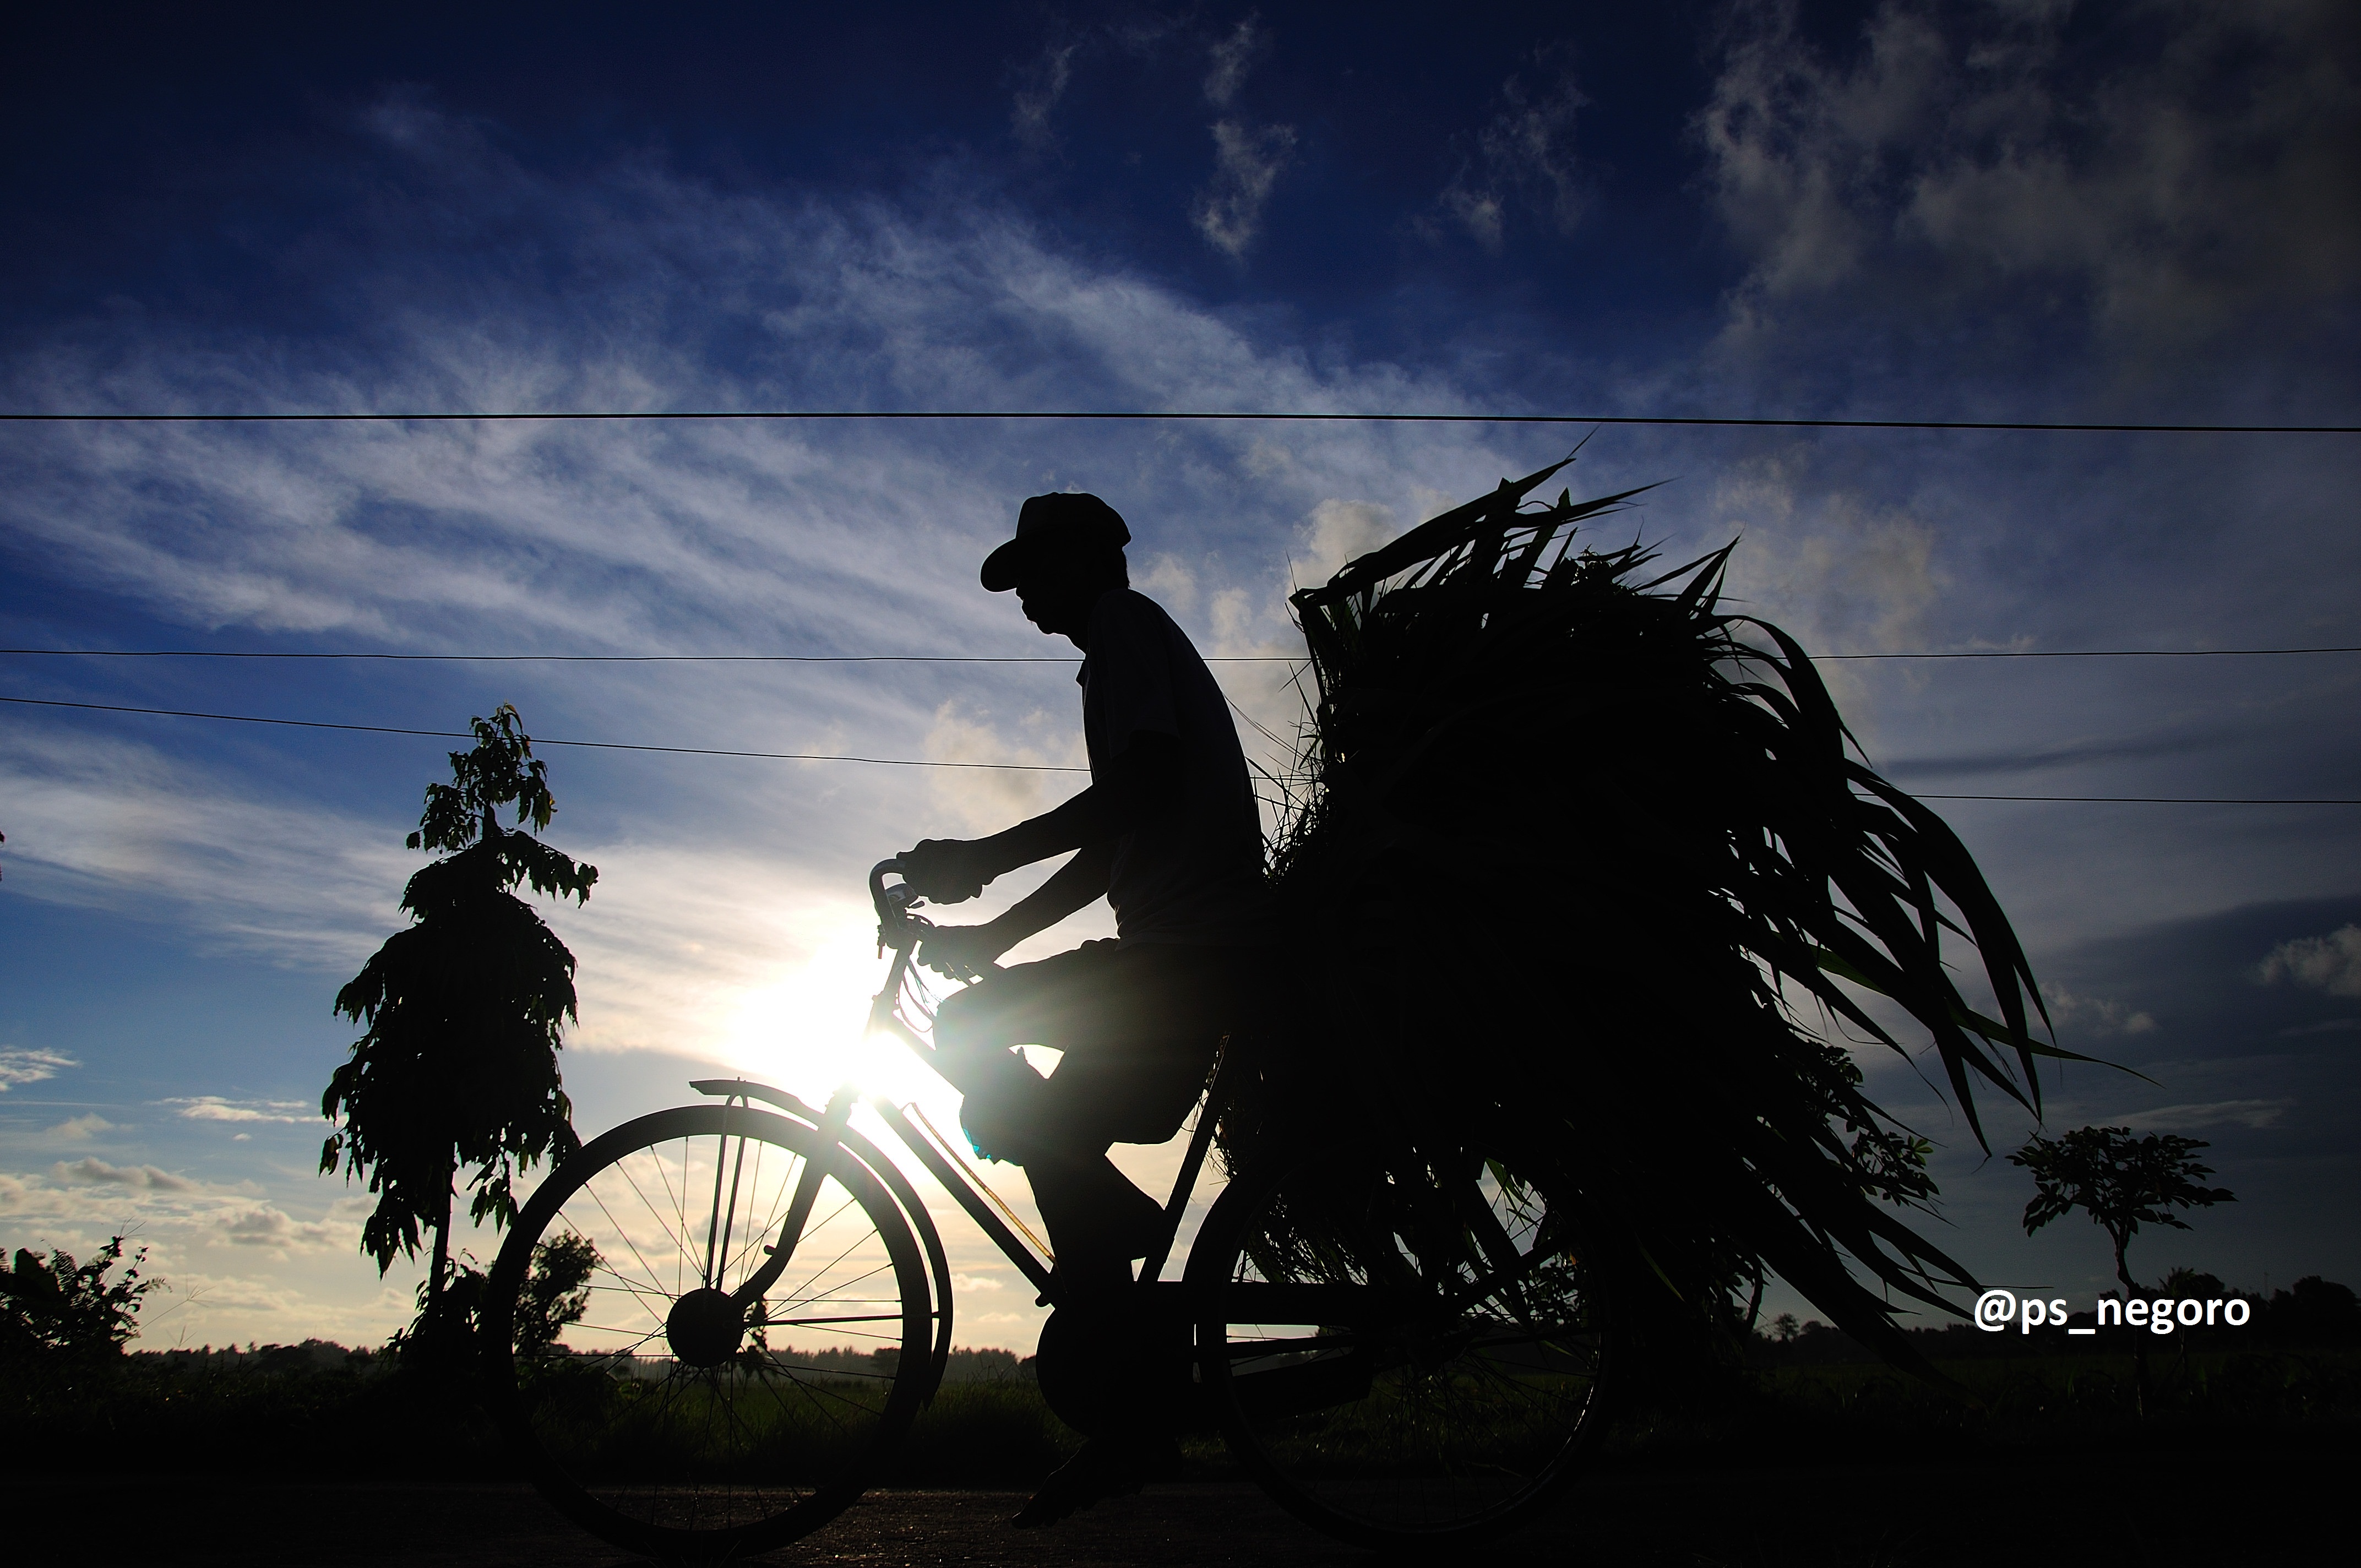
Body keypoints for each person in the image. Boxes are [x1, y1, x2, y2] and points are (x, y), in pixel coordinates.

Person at [895, 490, 1275, 1526]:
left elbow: (1137, 796)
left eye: (1034, 577)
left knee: (973, 1035)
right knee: (1040, 1116)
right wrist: (992, 933)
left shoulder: (1124, 627)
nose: (1024, 600)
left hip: (1193, 957)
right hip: (1178, 954)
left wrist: (980, 859)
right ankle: (1128, 1393)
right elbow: (1114, 844)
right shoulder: (1115, 649)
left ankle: (1126, 1366)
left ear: (1085, 565)